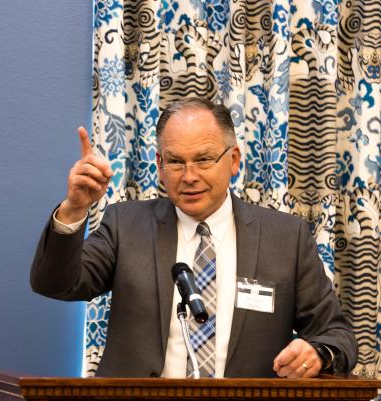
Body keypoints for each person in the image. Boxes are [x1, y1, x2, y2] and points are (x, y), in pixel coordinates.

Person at [31, 97, 357, 378]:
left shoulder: (286, 238)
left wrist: (317, 353)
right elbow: (57, 284)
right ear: (159, 165)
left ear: (233, 160)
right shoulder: (126, 225)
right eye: (175, 161)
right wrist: (74, 209)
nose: (189, 176)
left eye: (203, 159)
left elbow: (337, 335)